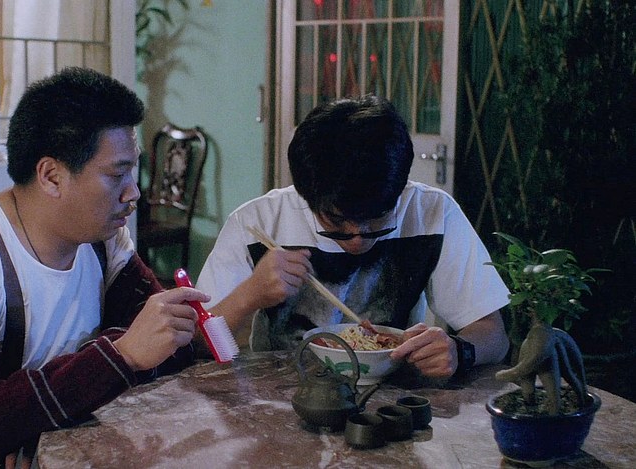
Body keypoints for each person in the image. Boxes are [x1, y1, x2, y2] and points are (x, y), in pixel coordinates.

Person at [0, 67, 208, 468]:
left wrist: (29, 418)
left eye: (133, 171)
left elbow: (172, 344)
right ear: (51, 176)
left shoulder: (103, 240)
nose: (133, 192)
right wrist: (121, 355)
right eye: (117, 174)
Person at [196, 95, 510, 379]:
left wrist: (460, 350)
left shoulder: (432, 213)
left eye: (377, 220)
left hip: (391, 399)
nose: (357, 239)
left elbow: (494, 334)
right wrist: (250, 294)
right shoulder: (257, 223)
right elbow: (197, 343)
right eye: (335, 221)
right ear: (307, 197)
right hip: (278, 399)